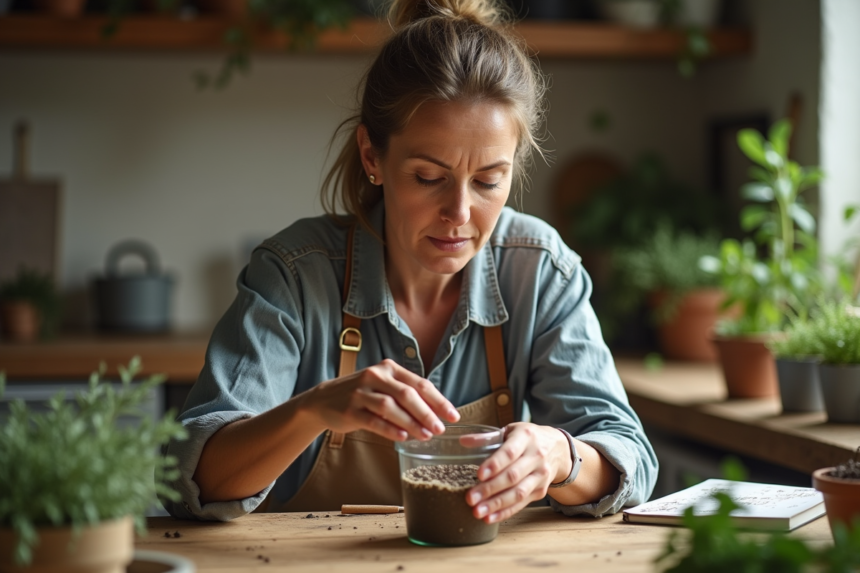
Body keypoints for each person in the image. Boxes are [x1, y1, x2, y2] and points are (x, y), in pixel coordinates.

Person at [164, 0, 657, 524]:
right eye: (428, 177)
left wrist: (560, 455)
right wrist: (314, 409)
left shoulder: (540, 271)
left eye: (489, 181)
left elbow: (629, 455)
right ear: (373, 156)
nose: (460, 213)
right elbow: (194, 476)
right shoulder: (294, 274)